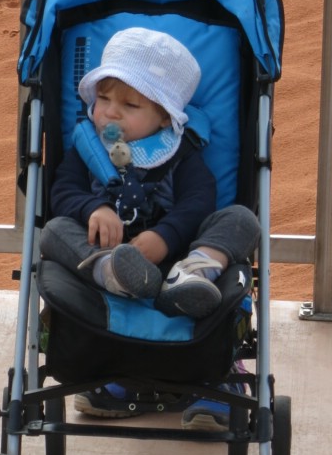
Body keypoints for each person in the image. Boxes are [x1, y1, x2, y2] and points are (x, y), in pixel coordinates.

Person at [39, 26, 259, 418]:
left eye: (130, 105)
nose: (110, 112)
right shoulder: (87, 150)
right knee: (54, 230)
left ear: (163, 118)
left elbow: (198, 202)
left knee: (241, 219)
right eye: (103, 98)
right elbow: (63, 192)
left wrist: (166, 236)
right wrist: (93, 209)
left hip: (175, 261)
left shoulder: (179, 155)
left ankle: (195, 272)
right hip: (107, 259)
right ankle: (110, 271)